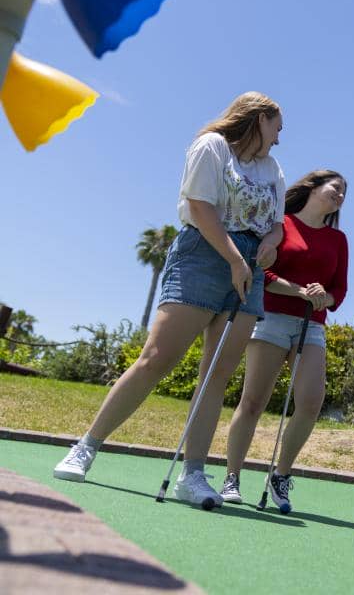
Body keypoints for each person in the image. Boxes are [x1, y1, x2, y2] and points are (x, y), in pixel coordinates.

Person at [53, 92, 286, 509]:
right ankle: (86, 446)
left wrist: (268, 244)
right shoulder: (211, 145)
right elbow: (199, 206)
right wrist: (234, 259)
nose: (279, 140)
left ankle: (193, 475)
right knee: (156, 358)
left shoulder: (272, 169)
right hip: (204, 254)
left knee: (216, 375)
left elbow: (276, 225)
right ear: (259, 118)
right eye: (277, 128)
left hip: (249, 268)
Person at [220, 170, 348, 512]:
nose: (339, 196)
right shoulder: (282, 224)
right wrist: (300, 291)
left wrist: (325, 297)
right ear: (313, 188)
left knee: (310, 402)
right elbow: (265, 272)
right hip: (273, 317)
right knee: (252, 402)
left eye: (343, 193)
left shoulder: (339, 240)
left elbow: (340, 290)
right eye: (335, 188)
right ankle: (232, 476)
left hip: (312, 326)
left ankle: (281, 474)